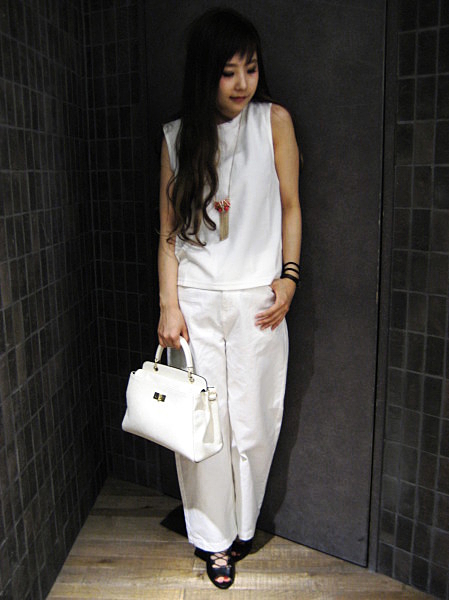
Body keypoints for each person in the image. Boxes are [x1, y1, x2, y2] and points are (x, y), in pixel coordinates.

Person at [157, 8, 302, 590]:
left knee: (255, 423)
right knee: (203, 427)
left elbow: (291, 205)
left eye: (251, 68)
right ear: (205, 74)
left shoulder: (274, 122)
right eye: (228, 72)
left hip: (258, 303)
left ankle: (243, 525)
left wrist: (289, 277)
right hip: (195, 302)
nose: (242, 83)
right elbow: (168, 233)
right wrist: (168, 305)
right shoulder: (176, 137)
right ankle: (213, 539)